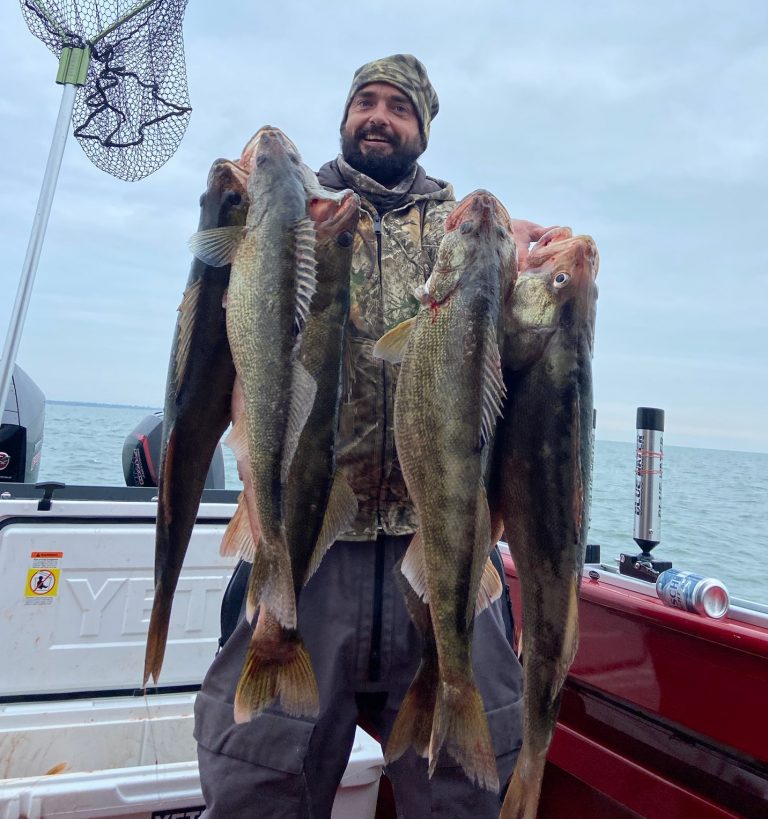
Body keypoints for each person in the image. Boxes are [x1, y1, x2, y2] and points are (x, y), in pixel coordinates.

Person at [194, 53, 546, 819]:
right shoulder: (295, 210)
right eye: (365, 103)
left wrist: (543, 279)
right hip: (310, 537)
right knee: (260, 773)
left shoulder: (466, 228)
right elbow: (230, 333)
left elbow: (515, 359)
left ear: (423, 127)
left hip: (442, 538)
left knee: (465, 782)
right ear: (347, 117)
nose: (378, 117)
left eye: (398, 107)